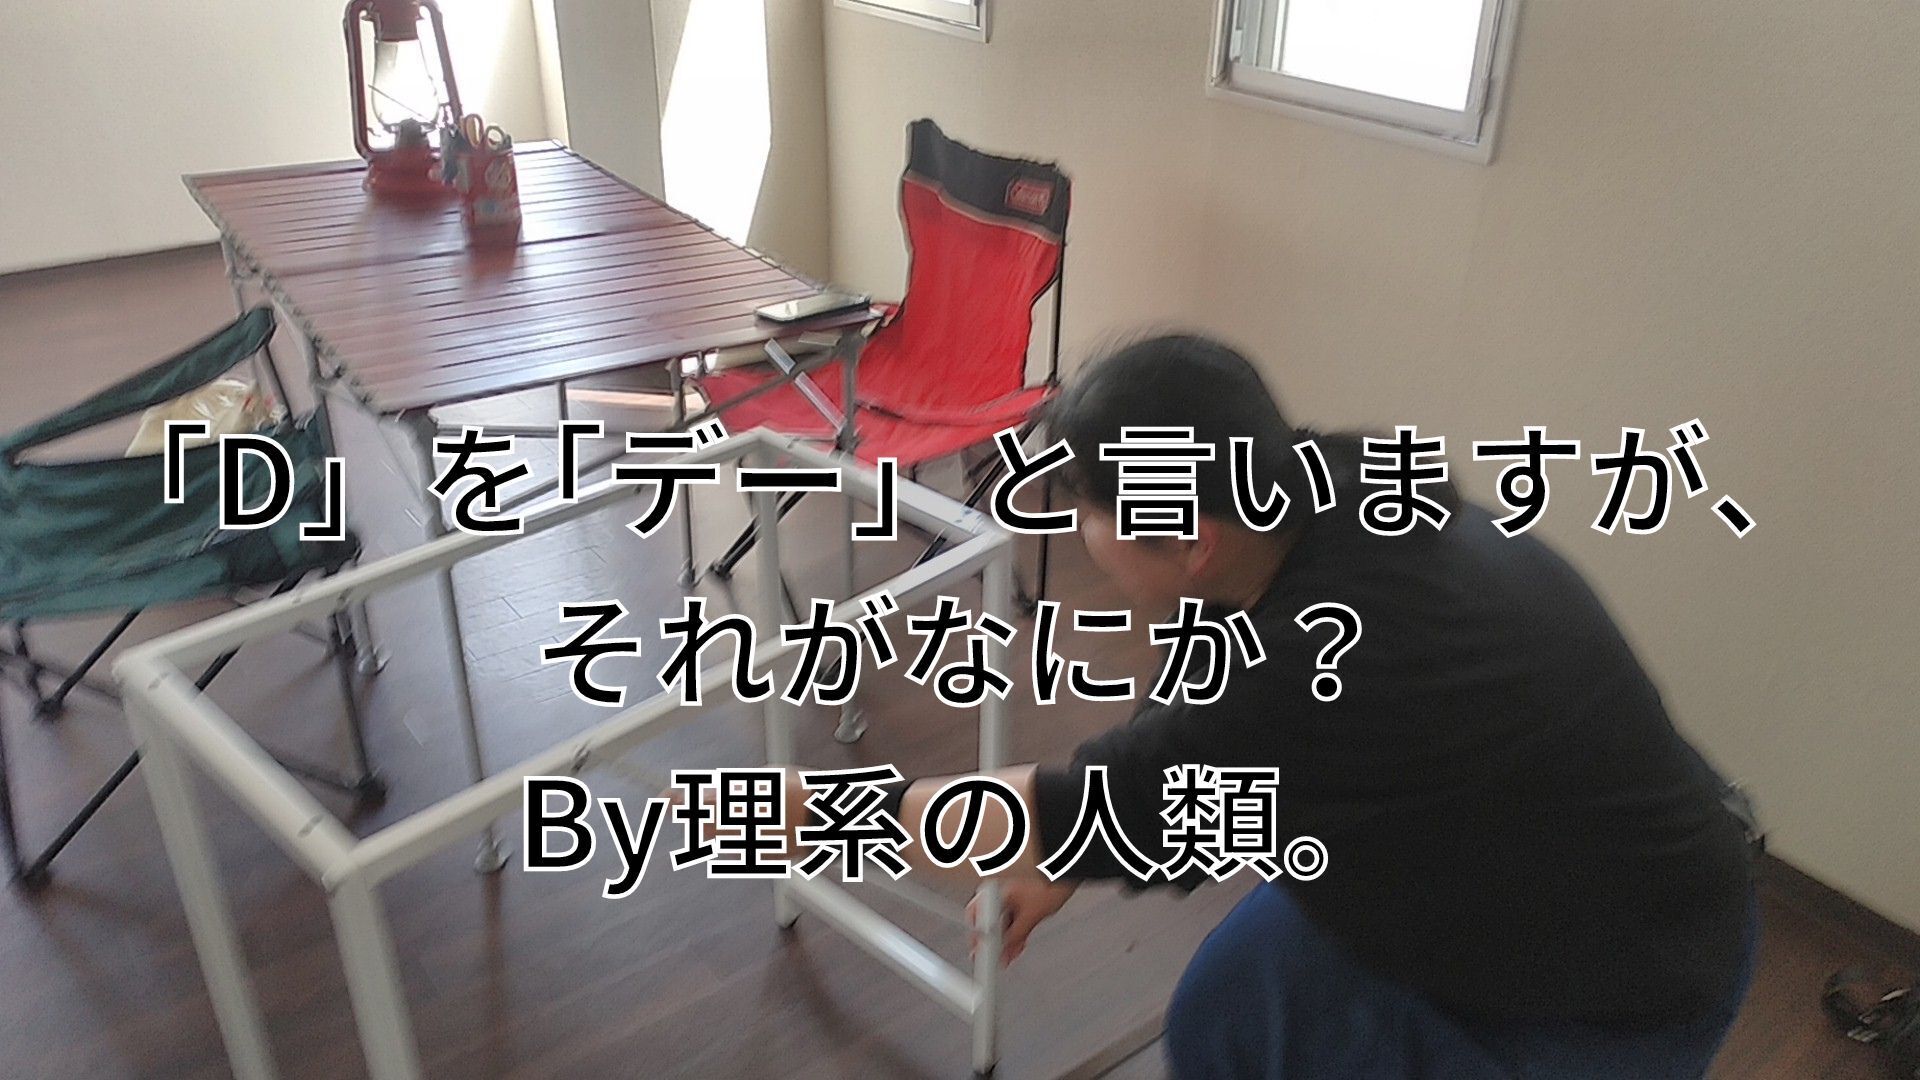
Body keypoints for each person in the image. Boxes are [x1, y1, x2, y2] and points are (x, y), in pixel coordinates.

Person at [833, 334, 1758, 1079]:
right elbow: (1180, 721)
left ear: (1190, 539)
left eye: (1092, 519)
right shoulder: (1311, 486)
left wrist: (792, 812)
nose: (1081, 536)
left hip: (1620, 975)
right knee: (1221, 1017)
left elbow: (1041, 810)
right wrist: (1074, 856)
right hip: (1476, 849)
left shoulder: (1312, 679)